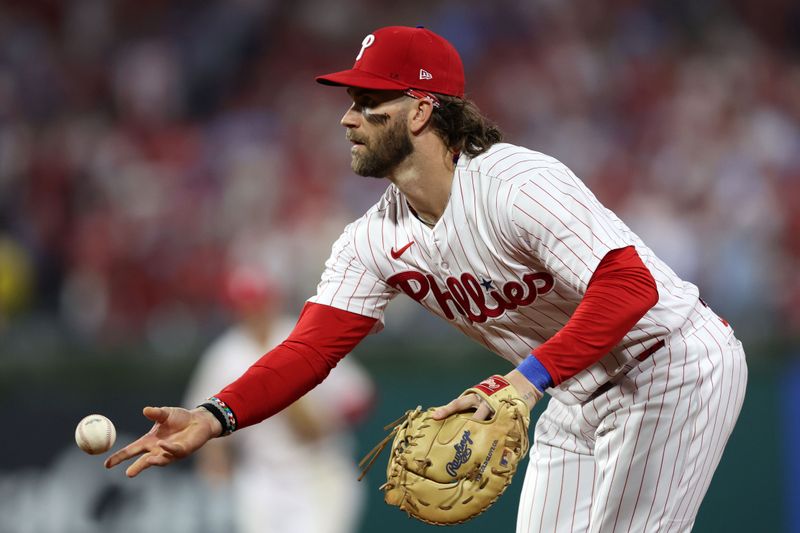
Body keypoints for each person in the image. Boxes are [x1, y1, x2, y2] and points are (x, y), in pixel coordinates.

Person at [106, 26, 748, 532]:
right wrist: (215, 416)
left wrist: (523, 384)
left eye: (366, 102)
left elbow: (630, 288)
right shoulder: (372, 239)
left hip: (670, 365)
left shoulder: (515, 184)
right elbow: (308, 349)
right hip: (571, 389)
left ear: (419, 110)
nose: (346, 118)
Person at [183, 266, 373, 533]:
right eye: (246, 304)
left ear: (273, 301)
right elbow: (200, 421)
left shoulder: (306, 336)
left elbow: (359, 397)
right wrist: (215, 463)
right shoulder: (226, 354)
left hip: (316, 471)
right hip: (261, 477)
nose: (254, 310)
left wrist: (320, 418)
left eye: (259, 302)